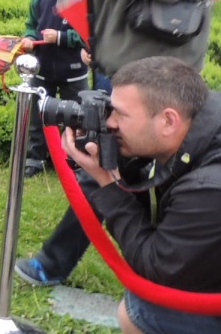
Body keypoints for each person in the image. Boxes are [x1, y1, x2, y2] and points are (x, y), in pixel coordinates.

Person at [16, 0, 221, 288]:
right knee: (111, 157)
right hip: (115, 57)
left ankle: (60, 261)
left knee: (111, 159)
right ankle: (155, 253)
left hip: (160, 68)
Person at [61, 57, 221, 333]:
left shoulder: (208, 190)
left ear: (168, 120)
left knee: (142, 308)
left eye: (120, 115)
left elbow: (155, 265)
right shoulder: (201, 119)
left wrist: (106, 183)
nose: (110, 122)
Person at [18, 0, 88, 178]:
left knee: (75, 116)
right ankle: (36, 158)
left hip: (73, 71)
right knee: (39, 116)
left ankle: (75, 159)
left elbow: (87, 35)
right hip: (43, 69)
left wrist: (60, 37)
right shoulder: (39, 0)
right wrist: (28, 39)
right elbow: (31, 27)